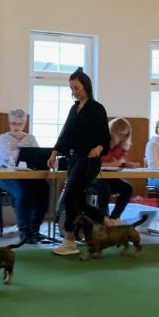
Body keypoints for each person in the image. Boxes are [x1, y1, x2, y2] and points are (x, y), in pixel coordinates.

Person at [47, 69, 110, 256]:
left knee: (69, 197)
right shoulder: (74, 109)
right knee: (78, 201)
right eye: (71, 88)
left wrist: (98, 148)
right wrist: (54, 152)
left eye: (76, 88)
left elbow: (105, 137)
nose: (73, 92)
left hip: (89, 161)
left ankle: (69, 239)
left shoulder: (97, 109)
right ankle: (107, 221)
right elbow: (65, 133)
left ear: (86, 87)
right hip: (74, 159)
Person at [0, 109, 50, 244]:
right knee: (23, 191)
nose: (16, 126)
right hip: (5, 175)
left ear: (24, 124)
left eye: (19, 124)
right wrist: (17, 154)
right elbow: (8, 157)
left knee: (45, 187)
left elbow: (38, 155)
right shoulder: (3, 138)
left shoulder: (30, 138)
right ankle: (24, 232)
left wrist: (17, 152)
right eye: (13, 123)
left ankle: (34, 230)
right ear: (9, 123)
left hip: (28, 175)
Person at [88, 116, 138, 222]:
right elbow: (92, 162)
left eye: (126, 135)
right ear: (114, 132)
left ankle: (114, 218)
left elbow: (119, 162)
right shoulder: (101, 143)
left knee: (127, 188)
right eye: (121, 135)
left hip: (109, 177)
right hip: (94, 177)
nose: (123, 138)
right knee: (104, 188)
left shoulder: (120, 146)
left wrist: (126, 164)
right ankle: (103, 219)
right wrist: (110, 164)